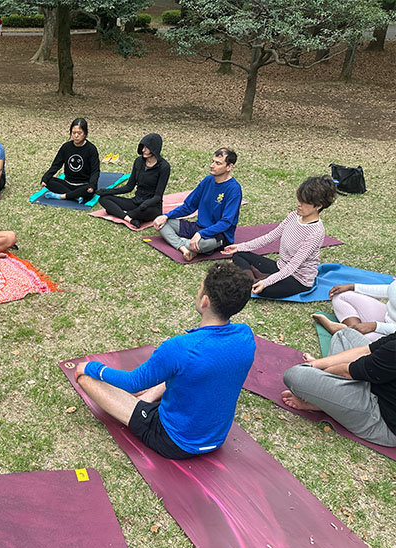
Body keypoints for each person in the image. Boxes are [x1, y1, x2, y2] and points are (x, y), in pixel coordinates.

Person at [74, 263, 255, 459]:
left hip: (175, 441)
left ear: (205, 301)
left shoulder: (180, 348)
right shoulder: (246, 336)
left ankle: (143, 403)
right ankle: (147, 399)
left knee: (85, 379)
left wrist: (92, 367)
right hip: (216, 439)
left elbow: (132, 382)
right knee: (186, 372)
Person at [222, 175, 336, 298]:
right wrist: (239, 247)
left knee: (264, 290)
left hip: (297, 279)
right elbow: (269, 237)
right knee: (239, 255)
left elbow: (292, 267)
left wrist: (266, 283)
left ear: (318, 206)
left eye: (304, 202)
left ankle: (255, 279)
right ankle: (255, 280)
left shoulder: (316, 232)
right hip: (280, 267)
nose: (299, 204)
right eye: (299, 200)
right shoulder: (293, 216)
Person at [282, 329, 396, 447]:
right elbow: (367, 350)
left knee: (296, 376)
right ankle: (329, 400)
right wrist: (315, 364)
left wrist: (317, 372)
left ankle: (323, 403)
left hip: (381, 420)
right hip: (376, 383)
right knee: (344, 335)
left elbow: (347, 372)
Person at [153, 148, 241, 261]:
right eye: (212, 161)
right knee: (160, 222)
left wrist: (201, 234)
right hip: (198, 227)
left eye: (218, 163)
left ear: (229, 167)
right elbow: (189, 206)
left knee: (204, 244)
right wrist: (166, 216)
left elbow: (226, 222)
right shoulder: (208, 180)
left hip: (219, 234)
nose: (212, 165)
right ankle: (185, 248)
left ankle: (190, 245)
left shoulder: (234, 189)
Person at [97, 133, 170, 227]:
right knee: (104, 199)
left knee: (141, 211)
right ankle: (129, 219)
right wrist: (107, 191)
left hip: (151, 206)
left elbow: (158, 196)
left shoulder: (164, 167)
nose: (143, 150)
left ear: (154, 149)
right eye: (143, 147)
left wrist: (145, 204)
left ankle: (121, 213)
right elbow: (129, 187)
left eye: (147, 148)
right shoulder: (138, 161)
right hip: (136, 201)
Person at [312, 280, 396, 343]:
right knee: (340, 296)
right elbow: (389, 289)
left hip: (391, 333)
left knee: (372, 343)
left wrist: (375, 326)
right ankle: (352, 329)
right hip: (386, 315)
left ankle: (344, 331)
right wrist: (353, 287)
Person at [41, 118, 100, 204]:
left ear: (85, 134)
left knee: (90, 190)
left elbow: (95, 170)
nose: (76, 136)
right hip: (67, 183)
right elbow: (56, 165)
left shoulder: (91, 149)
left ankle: (62, 196)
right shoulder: (66, 147)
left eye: (79, 133)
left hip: (83, 185)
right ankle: (75, 196)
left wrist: (92, 185)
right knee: (49, 181)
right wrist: (45, 178)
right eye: (74, 133)